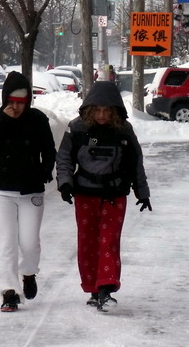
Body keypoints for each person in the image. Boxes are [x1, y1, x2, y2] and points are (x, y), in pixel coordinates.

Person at [56, 81, 152, 310]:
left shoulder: (124, 131)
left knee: (108, 241)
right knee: (87, 241)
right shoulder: (76, 129)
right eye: (97, 110)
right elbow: (64, 158)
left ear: (115, 111)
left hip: (114, 194)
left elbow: (135, 162)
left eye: (107, 111)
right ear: (89, 110)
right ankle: (92, 287)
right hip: (85, 194)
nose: (101, 115)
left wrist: (142, 192)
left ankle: (106, 288)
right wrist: (66, 184)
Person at [0, 71, 57, 312]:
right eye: (11, 102)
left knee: (30, 242)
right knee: (8, 241)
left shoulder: (37, 119)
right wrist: (2, 120)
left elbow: (49, 150)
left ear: (28, 101)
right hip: (1, 190)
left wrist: (45, 170)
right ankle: (9, 291)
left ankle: (29, 273)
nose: (16, 107)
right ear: (5, 100)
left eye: (21, 103)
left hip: (31, 190)